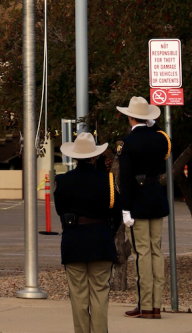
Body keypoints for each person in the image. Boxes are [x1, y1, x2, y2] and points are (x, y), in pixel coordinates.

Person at [54, 132, 122, 333]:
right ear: (95, 156)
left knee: (78, 297)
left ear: (74, 157)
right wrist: (108, 233)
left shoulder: (63, 181)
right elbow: (116, 213)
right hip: (100, 240)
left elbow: (60, 210)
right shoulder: (107, 180)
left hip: (73, 241)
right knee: (100, 295)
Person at [116, 96, 171, 319]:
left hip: (137, 202)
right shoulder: (160, 139)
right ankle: (155, 305)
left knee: (142, 254)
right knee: (156, 251)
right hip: (156, 198)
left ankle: (145, 305)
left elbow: (126, 179)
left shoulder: (127, 143)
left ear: (130, 117)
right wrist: (151, 124)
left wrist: (125, 209)